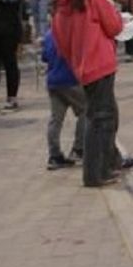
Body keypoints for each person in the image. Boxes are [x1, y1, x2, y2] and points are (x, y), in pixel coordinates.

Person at [52, 0, 133, 187]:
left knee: (97, 116)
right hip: (101, 65)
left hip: (81, 68)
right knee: (102, 120)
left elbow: (60, 41)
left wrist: (75, 61)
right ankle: (97, 172)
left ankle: (108, 163)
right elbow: (115, 27)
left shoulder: (61, 5)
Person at [41, 29, 86, 169]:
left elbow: (44, 57)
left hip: (53, 81)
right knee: (86, 111)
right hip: (70, 79)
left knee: (56, 119)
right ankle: (78, 149)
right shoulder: (72, 32)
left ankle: (54, 155)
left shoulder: (49, 34)